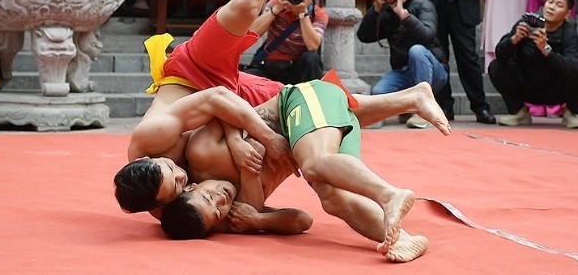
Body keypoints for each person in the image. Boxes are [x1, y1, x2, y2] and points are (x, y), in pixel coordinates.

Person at [112, 0, 342, 214]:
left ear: (150, 159)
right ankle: (410, 99)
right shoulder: (160, 202)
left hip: (195, 71)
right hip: (226, 102)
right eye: (178, 186)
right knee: (312, 102)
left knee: (249, 1)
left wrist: (264, 138)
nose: (182, 178)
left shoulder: (152, 135)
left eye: (173, 172)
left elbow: (215, 98)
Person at [160, 80, 446, 262]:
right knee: (332, 199)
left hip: (295, 102)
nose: (221, 200)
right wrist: (258, 219)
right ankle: (404, 239)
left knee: (314, 163)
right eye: (218, 212)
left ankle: (390, 195)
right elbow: (302, 221)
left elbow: (222, 103)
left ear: (190, 187)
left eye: (209, 197)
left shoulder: (201, 154)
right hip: (308, 134)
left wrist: (236, 141)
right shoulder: (241, 210)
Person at [357, 0, 448, 129]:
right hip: (403, 72)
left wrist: (402, 13)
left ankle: (422, 111)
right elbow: (364, 36)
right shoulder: (386, 11)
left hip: (433, 70)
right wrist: (375, 9)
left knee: (417, 50)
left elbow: (427, 35)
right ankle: (405, 107)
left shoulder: (423, 5)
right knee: (379, 93)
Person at [492, 0, 578, 128]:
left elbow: (573, 68)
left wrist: (546, 49)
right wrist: (515, 39)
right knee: (496, 66)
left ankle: (571, 113)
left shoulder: (569, 32)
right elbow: (500, 54)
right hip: (526, 84)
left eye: (559, 5)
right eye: (550, 2)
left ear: (567, 14)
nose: (552, 7)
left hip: (556, 90)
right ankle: (519, 113)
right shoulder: (527, 22)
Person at [246, 0, 327, 85]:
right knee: (246, 79)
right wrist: (275, 10)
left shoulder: (318, 14)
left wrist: (303, 14)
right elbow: (252, 33)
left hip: (297, 69)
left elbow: (313, 46)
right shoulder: (277, 3)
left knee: (311, 58)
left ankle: (313, 97)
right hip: (271, 65)